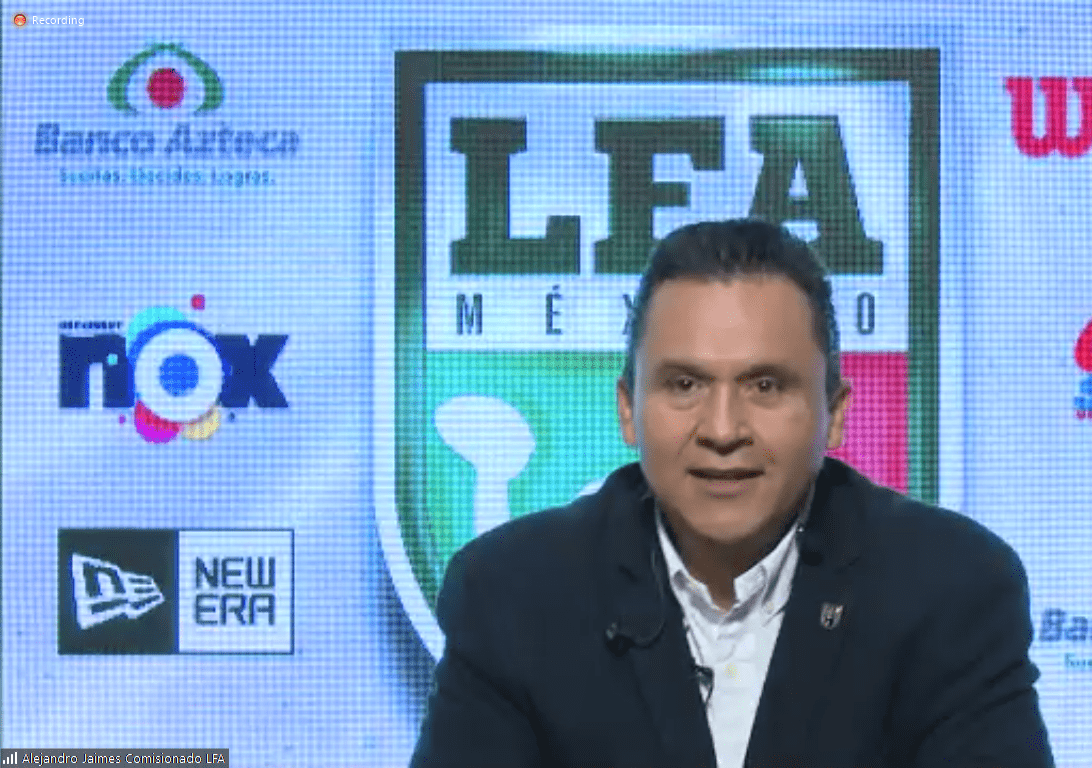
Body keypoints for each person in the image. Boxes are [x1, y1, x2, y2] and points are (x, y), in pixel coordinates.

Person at [410, 219, 1054, 767]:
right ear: (628, 409)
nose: (722, 430)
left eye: (765, 386)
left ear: (834, 413)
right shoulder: (513, 595)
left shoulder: (951, 590)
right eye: (684, 385)